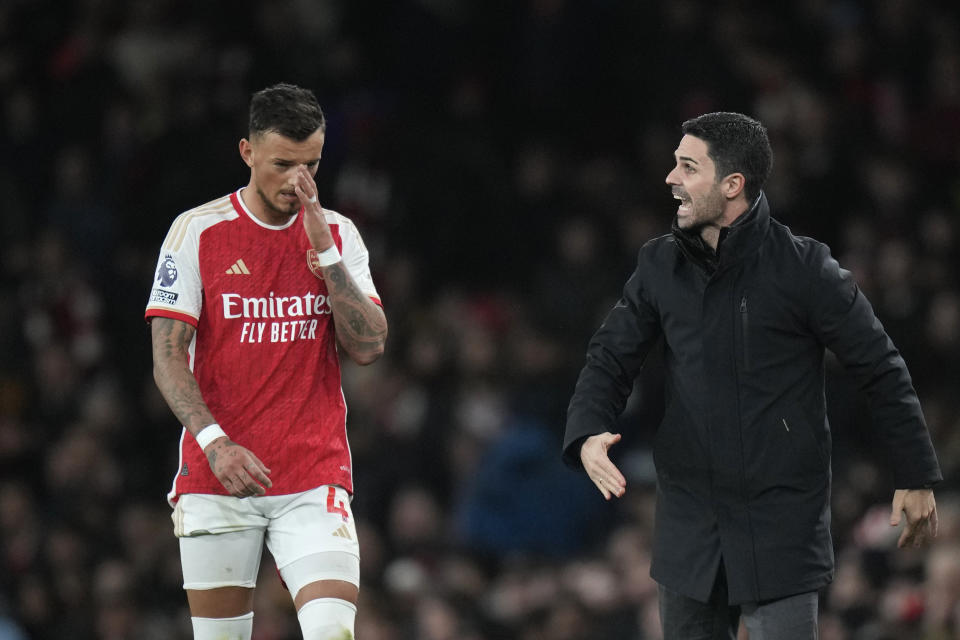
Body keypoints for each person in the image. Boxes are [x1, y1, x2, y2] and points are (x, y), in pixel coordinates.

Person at [562, 112, 941, 640]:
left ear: (732, 185)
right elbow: (609, 356)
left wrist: (915, 472)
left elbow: (880, 366)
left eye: (687, 167)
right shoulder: (658, 265)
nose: (670, 178)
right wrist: (587, 432)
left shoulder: (806, 269)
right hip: (689, 527)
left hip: (780, 527)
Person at [146, 82, 387, 640]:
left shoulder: (340, 234)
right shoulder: (197, 231)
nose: (299, 182)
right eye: (283, 164)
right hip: (218, 477)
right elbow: (166, 357)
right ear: (247, 152)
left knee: (333, 631)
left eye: (312, 165)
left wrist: (325, 253)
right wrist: (216, 444)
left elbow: (370, 347)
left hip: (312, 474)